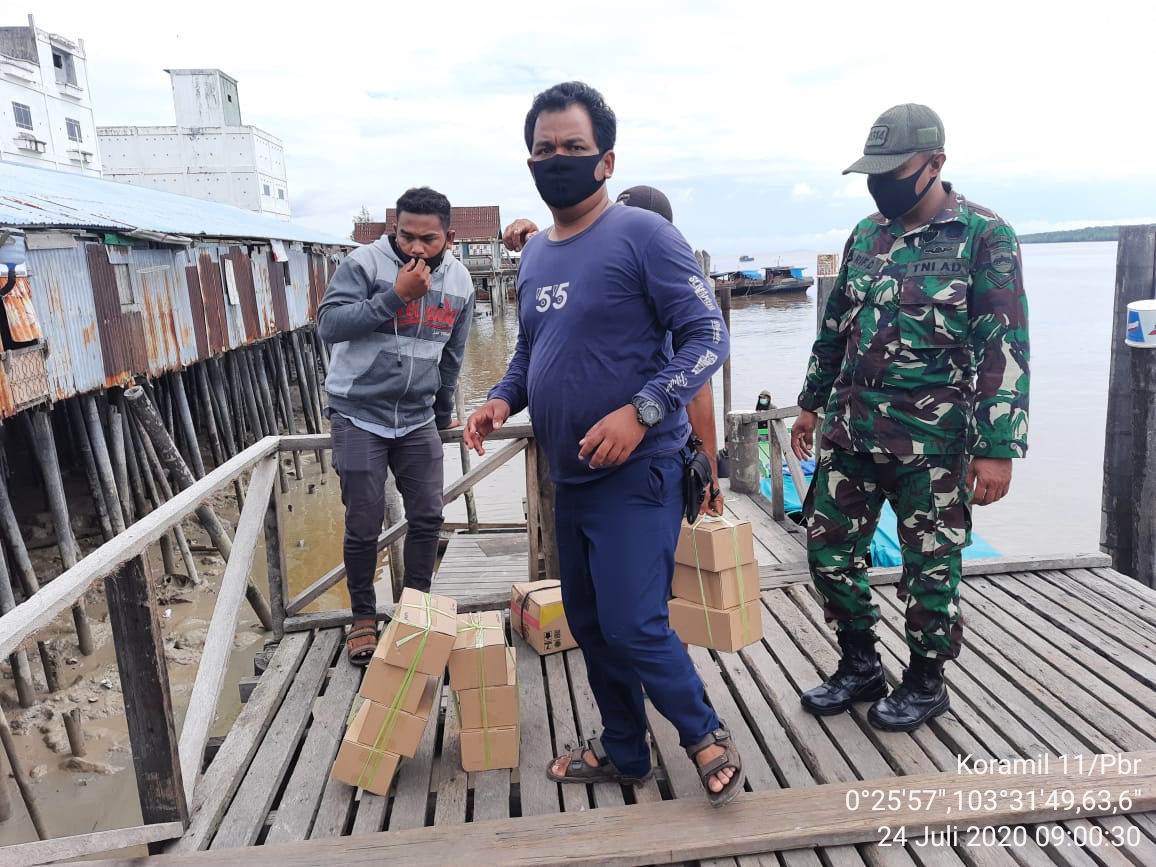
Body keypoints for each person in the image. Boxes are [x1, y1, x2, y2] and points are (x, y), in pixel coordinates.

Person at [465, 81, 743, 805]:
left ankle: (704, 735)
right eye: (545, 149)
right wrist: (499, 399)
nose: (558, 159)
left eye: (574, 148)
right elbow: (535, 353)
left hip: (640, 470)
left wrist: (642, 409)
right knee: (589, 622)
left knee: (633, 619)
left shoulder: (643, 234)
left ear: (607, 159)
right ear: (530, 161)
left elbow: (708, 336)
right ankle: (624, 748)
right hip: (571, 477)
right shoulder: (535, 260)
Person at [790, 103, 1029, 731]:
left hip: (936, 445)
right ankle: (860, 662)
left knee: (932, 568)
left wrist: (998, 446)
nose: (881, 183)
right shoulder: (866, 235)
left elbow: (1002, 344)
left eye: (894, 170)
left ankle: (926, 680)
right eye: (874, 172)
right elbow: (835, 328)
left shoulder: (985, 235)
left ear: (936, 164)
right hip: (853, 432)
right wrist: (811, 403)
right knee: (826, 550)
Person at [318, 186, 475, 665]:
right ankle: (363, 616)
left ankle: (416, 608)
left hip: (416, 417)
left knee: (428, 514)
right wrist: (396, 297)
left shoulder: (462, 282)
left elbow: (453, 354)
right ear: (394, 228)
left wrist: (444, 407)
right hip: (357, 411)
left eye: (428, 240)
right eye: (405, 236)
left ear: (449, 236)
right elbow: (329, 324)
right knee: (363, 519)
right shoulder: (363, 264)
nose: (415, 249)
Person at [502, 184, 723, 516]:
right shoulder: (613, 259)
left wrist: (711, 475)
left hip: (648, 458)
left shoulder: (662, 273)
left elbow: (699, 387)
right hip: (574, 470)